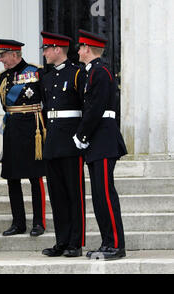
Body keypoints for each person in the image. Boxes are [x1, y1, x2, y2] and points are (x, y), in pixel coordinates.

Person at [75, 30, 127, 260]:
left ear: (87, 48)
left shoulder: (100, 71)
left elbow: (95, 109)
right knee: (98, 195)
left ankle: (116, 244)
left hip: (103, 139)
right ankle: (108, 242)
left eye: (80, 47)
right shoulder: (92, 72)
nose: (77, 51)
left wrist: (81, 135)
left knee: (105, 194)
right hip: (98, 141)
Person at [40, 32, 86, 257]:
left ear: (58, 49)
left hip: (71, 142)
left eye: (47, 48)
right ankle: (62, 240)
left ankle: (75, 243)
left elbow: (86, 108)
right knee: (57, 195)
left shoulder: (77, 73)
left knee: (74, 194)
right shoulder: (47, 78)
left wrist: (81, 138)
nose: (45, 53)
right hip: (53, 142)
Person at [0, 39, 47, 237]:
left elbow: (46, 100)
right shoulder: (2, 77)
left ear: (15, 54)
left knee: (35, 177)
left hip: (32, 128)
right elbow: (4, 106)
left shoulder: (36, 72)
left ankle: (39, 222)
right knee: (12, 178)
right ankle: (18, 222)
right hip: (12, 129)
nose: (1, 60)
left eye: (3, 55)